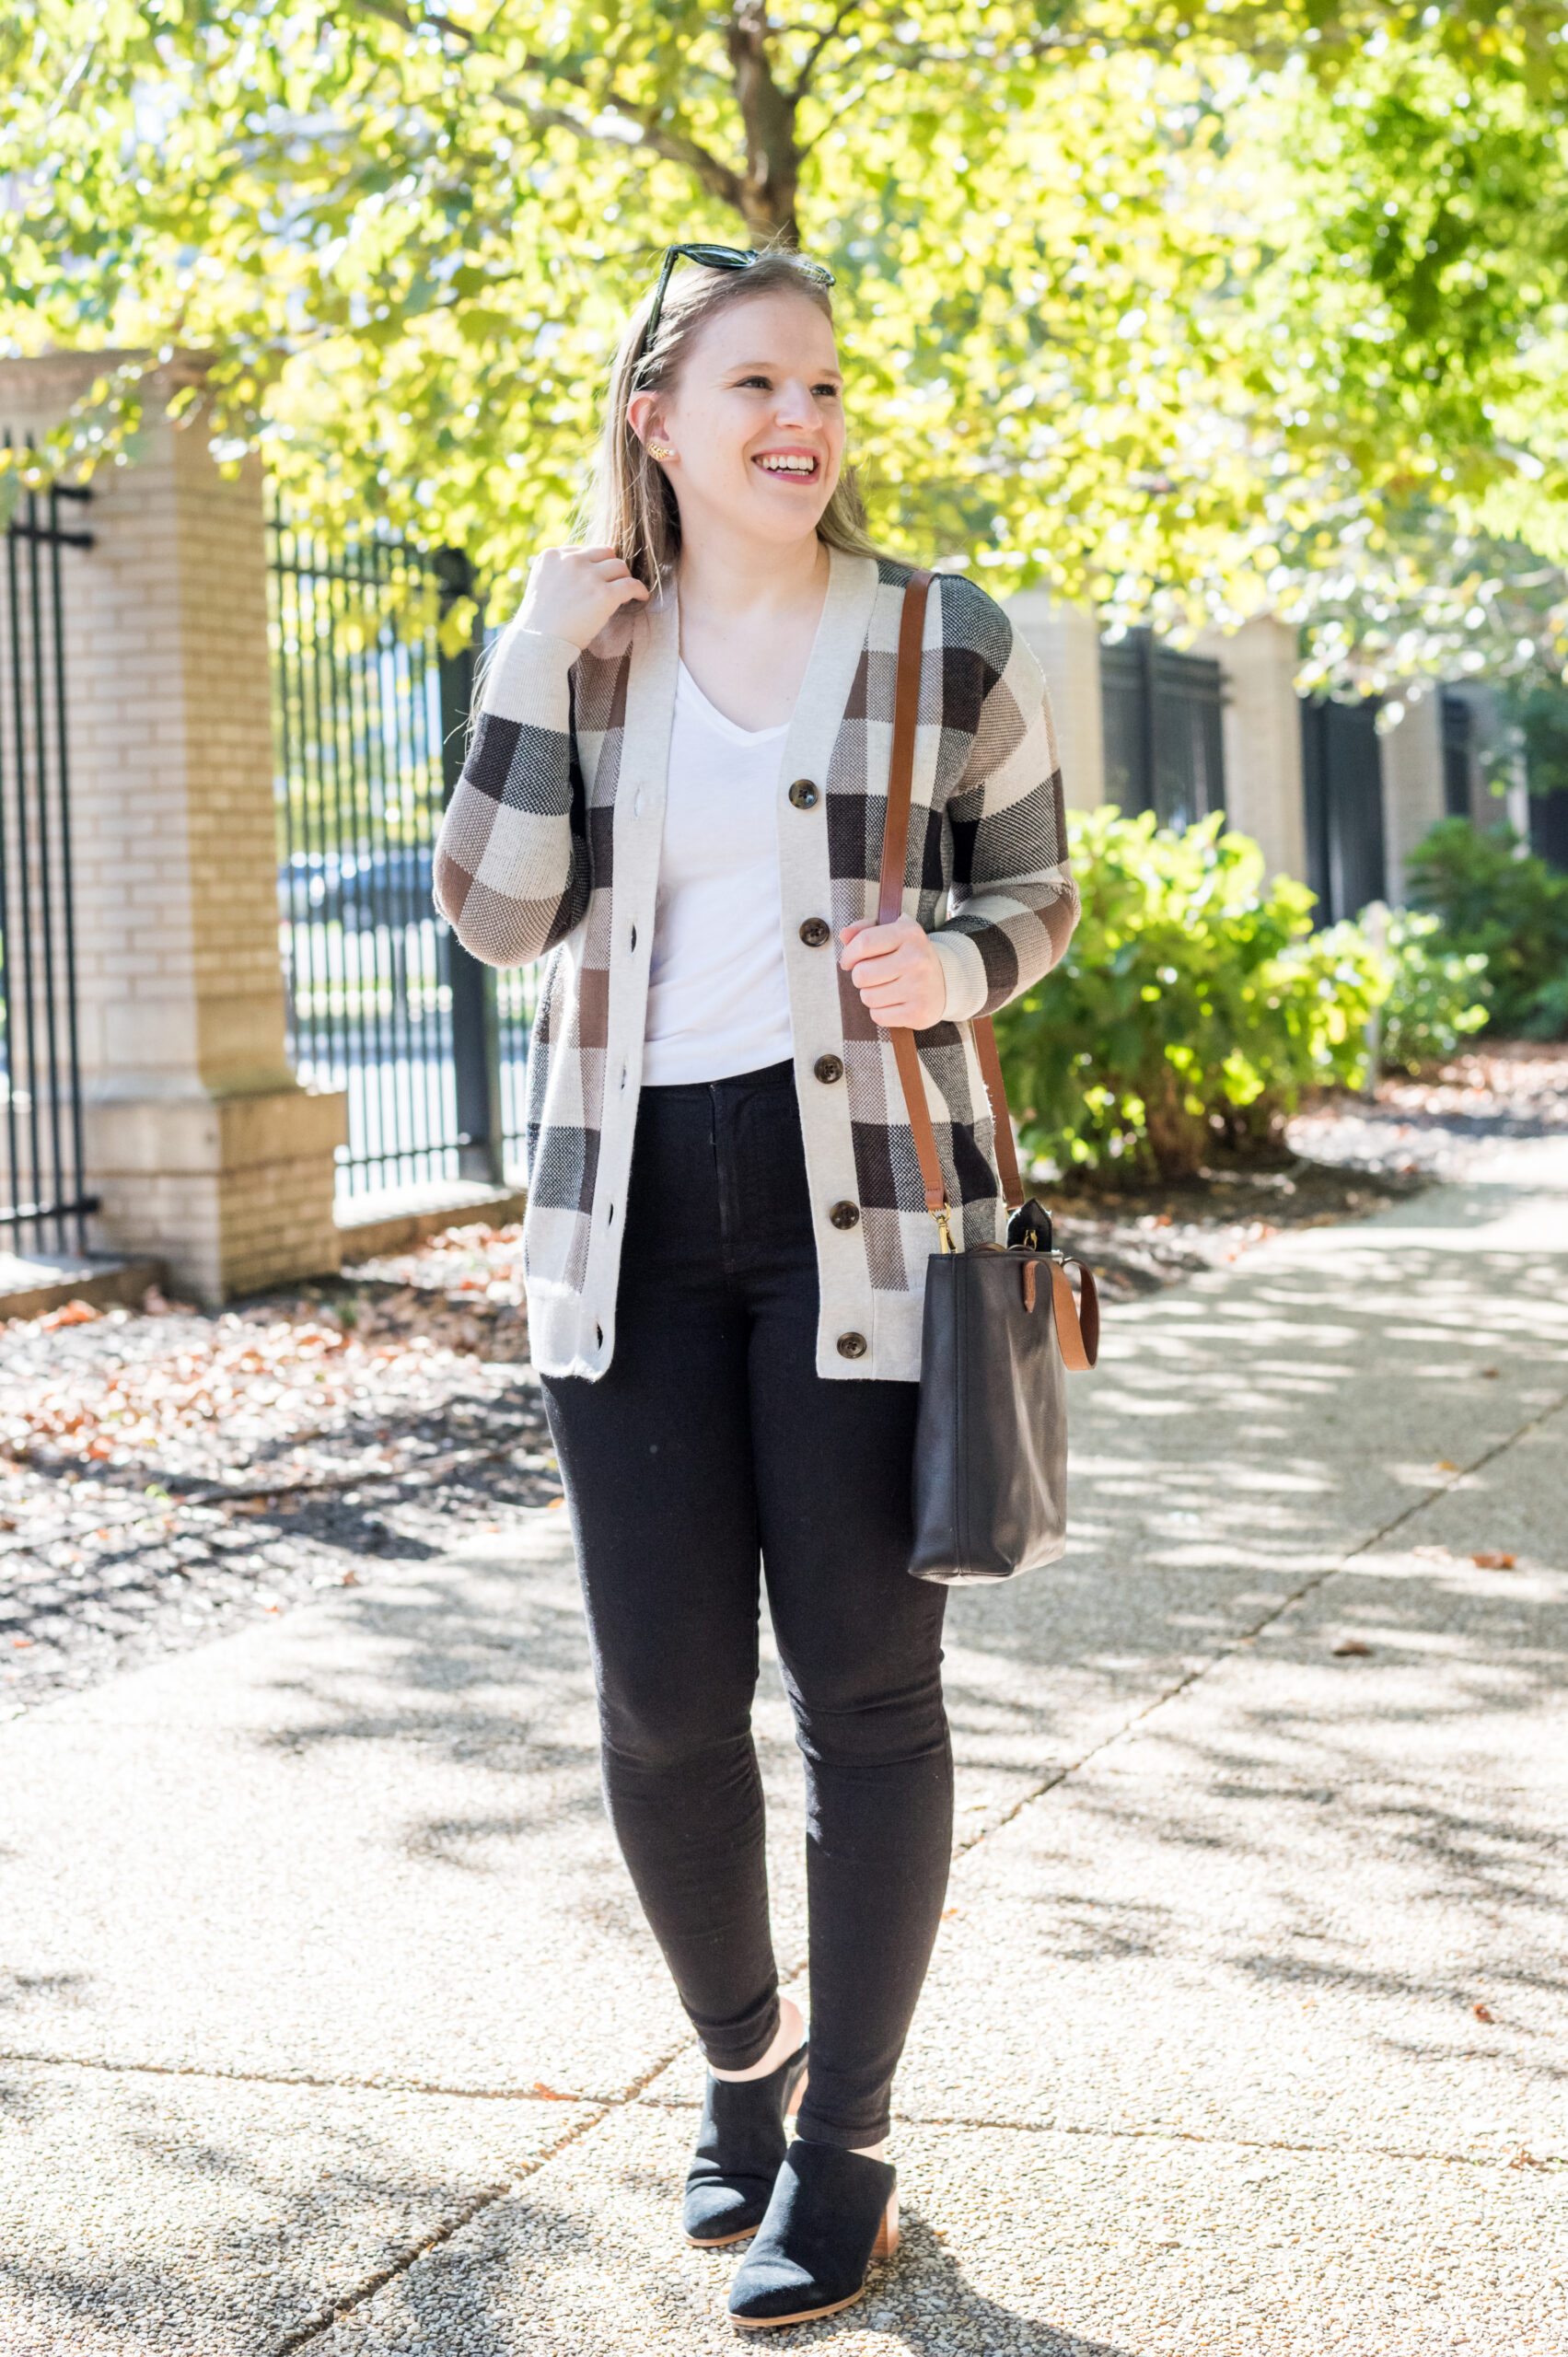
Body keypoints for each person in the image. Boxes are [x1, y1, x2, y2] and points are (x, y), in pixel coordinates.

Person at [434, 242, 1079, 2329]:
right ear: (659, 420)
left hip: (866, 1229)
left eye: (819, 384)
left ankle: (851, 2144)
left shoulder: (939, 635)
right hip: (630, 1230)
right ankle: (744, 2060)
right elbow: (493, 916)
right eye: (752, 388)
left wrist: (959, 963)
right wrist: (535, 641)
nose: (799, 420)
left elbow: (1037, 886)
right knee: (656, 1703)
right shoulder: (591, 646)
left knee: (869, 1696)